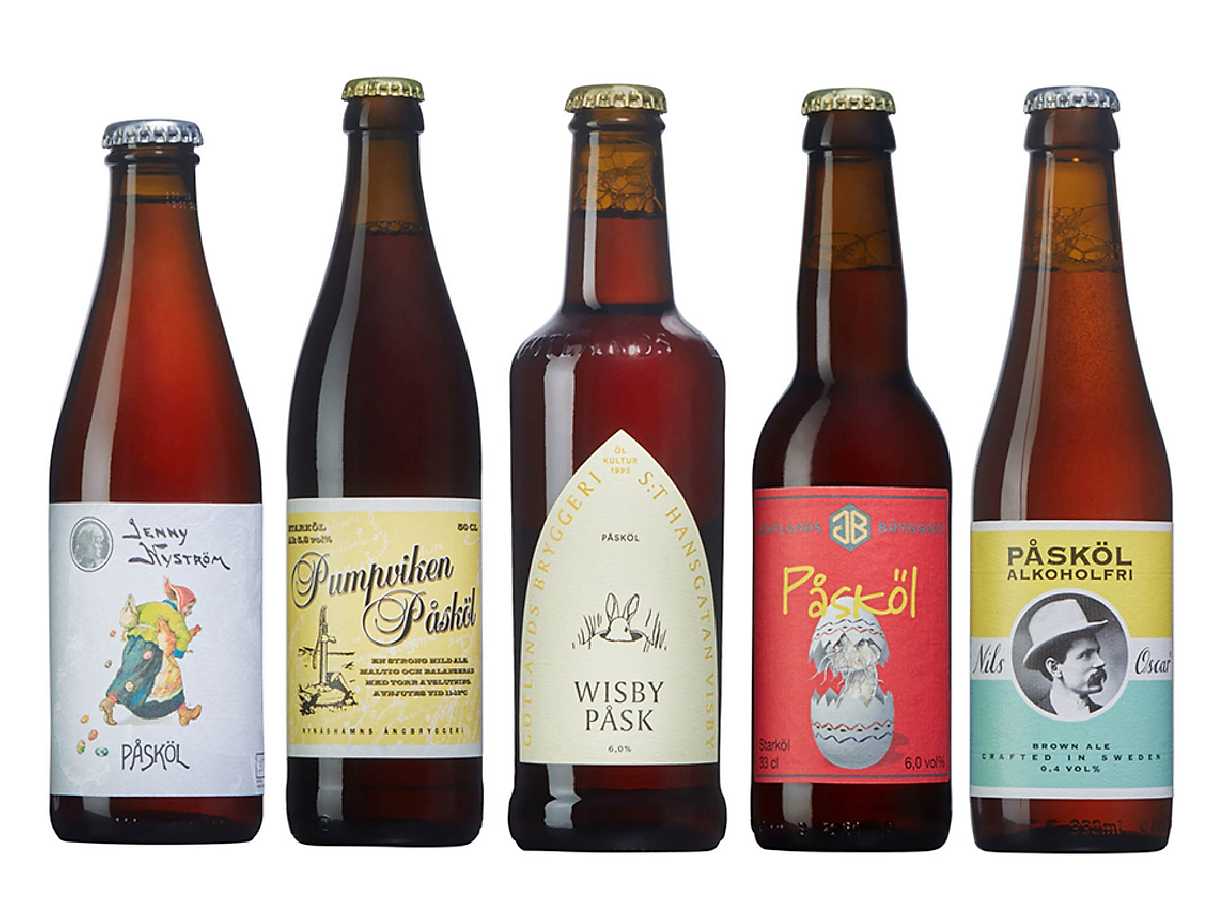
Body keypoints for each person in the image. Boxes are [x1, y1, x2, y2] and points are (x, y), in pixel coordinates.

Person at [99, 577, 203, 727]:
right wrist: (179, 652)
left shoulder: (151, 605)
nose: (189, 612)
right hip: (151, 648)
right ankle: (181, 710)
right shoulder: (172, 614)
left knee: (129, 672)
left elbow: (134, 612)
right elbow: (184, 636)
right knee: (164, 676)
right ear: (180, 602)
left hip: (133, 644)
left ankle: (111, 700)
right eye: (189, 607)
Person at [1022, 597, 1108, 719]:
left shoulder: (1107, 716)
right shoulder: (1030, 719)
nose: (1100, 662)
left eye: (1097, 652)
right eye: (1086, 655)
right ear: (1055, 668)